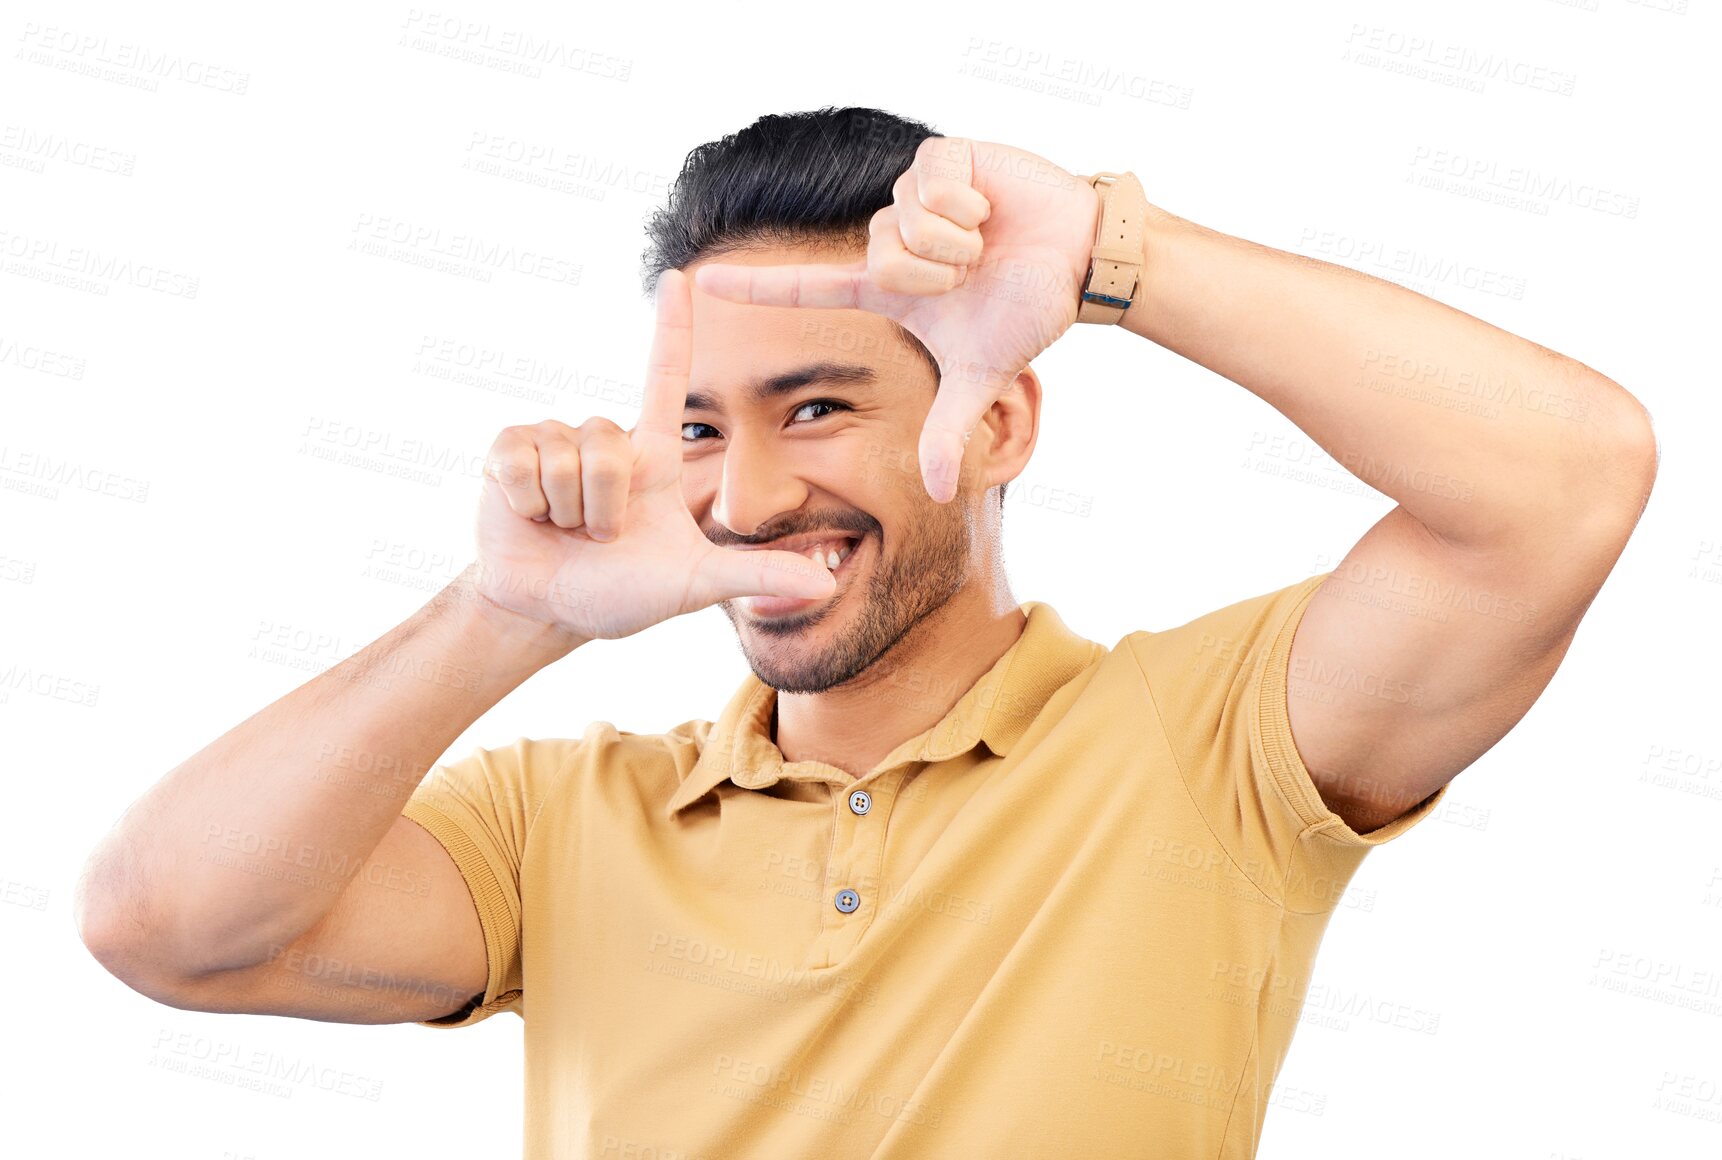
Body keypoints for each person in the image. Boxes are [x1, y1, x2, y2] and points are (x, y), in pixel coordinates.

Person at [75, 107, 1657, 1158]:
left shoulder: (1211, 748)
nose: (749, 492)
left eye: (816, 407)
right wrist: (503, 615)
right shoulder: (561, 819)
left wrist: (1118, 258)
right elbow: (164, 925)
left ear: (999, 425)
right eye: (699, 429)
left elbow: (1562, 485)